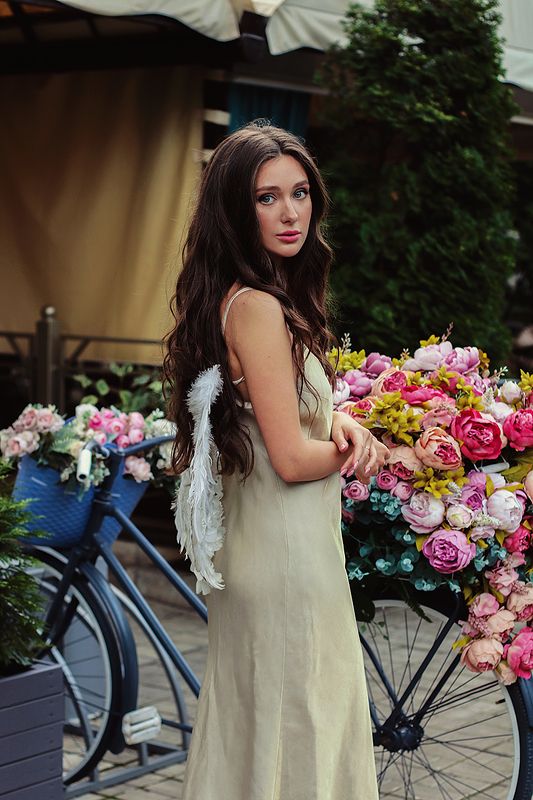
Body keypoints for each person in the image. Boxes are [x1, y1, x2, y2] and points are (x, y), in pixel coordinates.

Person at [163, 120, 389, 800]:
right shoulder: (257, 306)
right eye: (266, 198)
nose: (290, 213)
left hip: (270, 552)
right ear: (235, 209)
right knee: (301, 740)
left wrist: (341, 419)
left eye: (299, 193)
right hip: (287, 561)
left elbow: (277, 415)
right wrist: (387, 447)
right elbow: (290, 459)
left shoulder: (246, 299)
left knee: (265, 739)